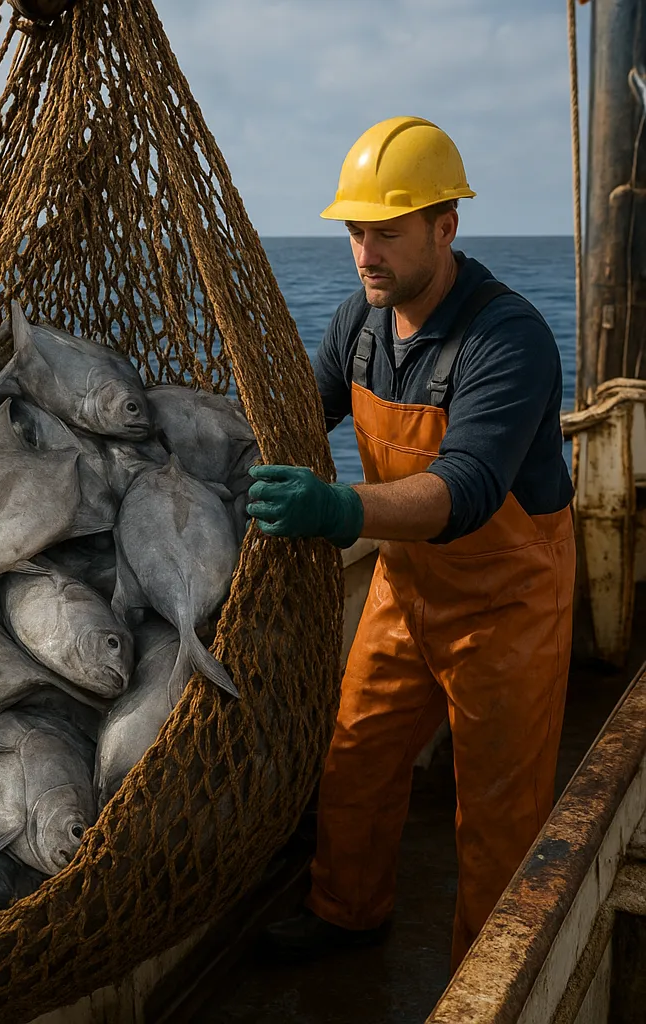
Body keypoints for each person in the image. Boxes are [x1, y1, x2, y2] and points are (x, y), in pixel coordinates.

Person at [247, 116, 576, 973]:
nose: (364, 254)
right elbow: (298, 416)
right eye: (355, 232)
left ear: (445, 228)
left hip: (507, 602)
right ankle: (348, 913)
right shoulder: (359, 322)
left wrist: (336, 510)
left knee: (499, 816)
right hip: (406, 583)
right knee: (355, 758)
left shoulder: (510, 340)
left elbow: (465, 490)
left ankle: (489, 978)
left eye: (386, 233)